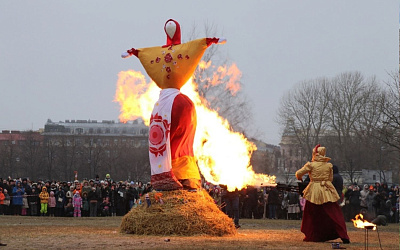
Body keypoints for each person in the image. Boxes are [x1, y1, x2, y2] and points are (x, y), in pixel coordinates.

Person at [295, 144, 350, 244]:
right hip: (327, 189)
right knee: (334, 212)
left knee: (312, 213)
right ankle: (343, 235)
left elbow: (298, 173)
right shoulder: (329, 165)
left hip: (314, 190)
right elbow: (330, 178)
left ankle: (312, 234)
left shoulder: (311, 165)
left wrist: (301, 179)